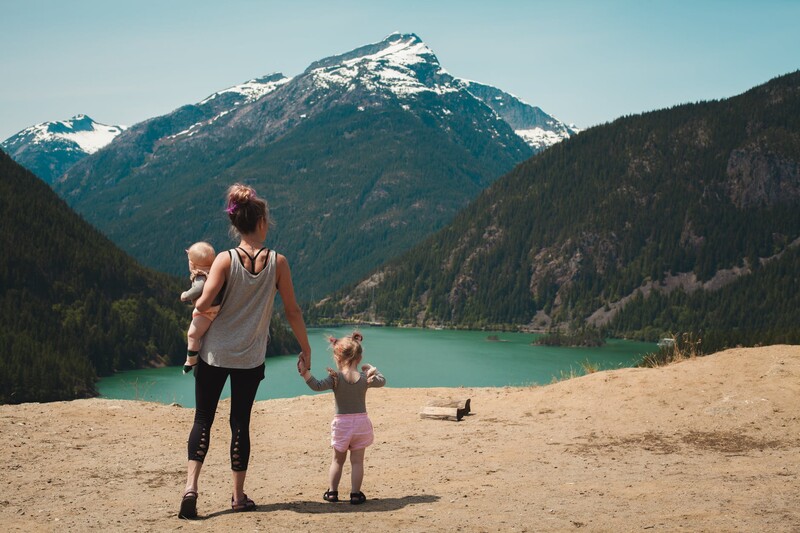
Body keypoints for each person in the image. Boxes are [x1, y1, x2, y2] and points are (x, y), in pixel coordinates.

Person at [178, 183, 312, 520]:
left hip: (214, 355)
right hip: (250, 358)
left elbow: (206, 301)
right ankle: (238, 497)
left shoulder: (224, 259)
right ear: (263, 222)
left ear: (236, 225)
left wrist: (201, 298)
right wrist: (306, 348)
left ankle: (191, 488)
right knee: (240, 423)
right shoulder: (278, 263)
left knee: (203, 419)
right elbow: (292, 311)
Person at [297, 332, 386, 505]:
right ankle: (355, 494)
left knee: (337, 461)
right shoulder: (364, 378)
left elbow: (316, 385)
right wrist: (372, 369)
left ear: (337, 357)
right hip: (361, 425)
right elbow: (382, 381)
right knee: (357, 462)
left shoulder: (335, 379)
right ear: (359, 358)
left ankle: (332, 493)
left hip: (342, 425)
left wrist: (305, 372)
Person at [180, 241, 223, 374]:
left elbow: (198, 289)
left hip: (207, 312)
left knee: (192, 334)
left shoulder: (200, 276)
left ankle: (191, 360)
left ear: (191, 263)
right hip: (218, 308)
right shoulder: (215, 272)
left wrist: (185, 295)